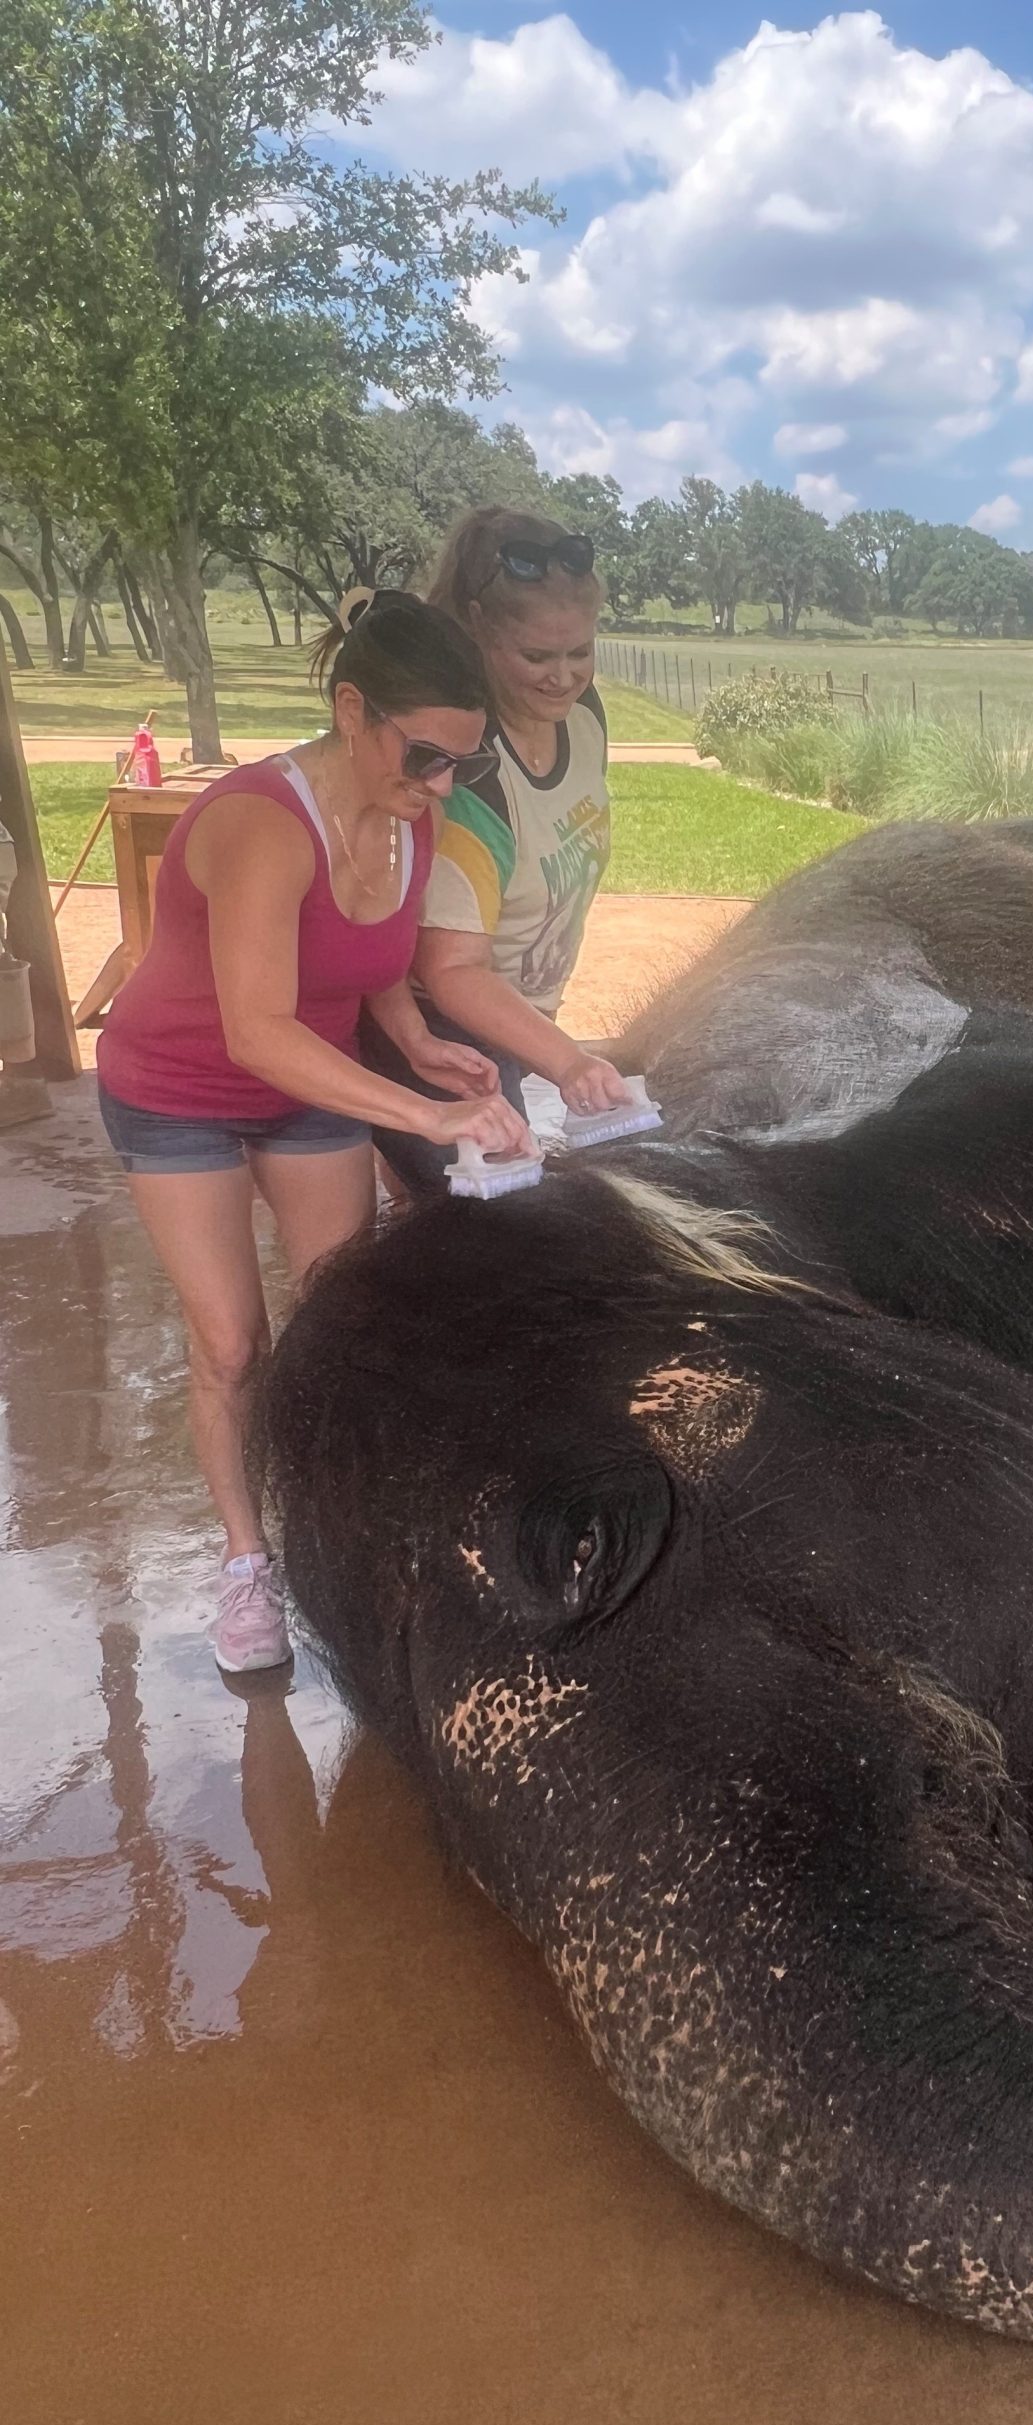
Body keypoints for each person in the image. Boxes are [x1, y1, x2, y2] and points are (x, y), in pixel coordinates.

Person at [95, 590, 536, 1675]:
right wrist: (429, 1113)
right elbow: (256, 1029)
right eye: (425, 754)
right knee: (235, 1344)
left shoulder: (412, 812)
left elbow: (368, 956)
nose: (439, 785)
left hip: (305, 1078)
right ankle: (248, 1562)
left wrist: (411, 1037)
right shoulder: (259, 820)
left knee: (344, 1315)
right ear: (353, 707)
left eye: (459, 766)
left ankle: (356, 1531)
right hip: (178, 1085)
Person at [362, 508, 628, 1195]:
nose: (563, 677)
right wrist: (568, 1064)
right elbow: (450, 969)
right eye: (536, 656)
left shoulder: (584, 717)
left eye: (580, 653)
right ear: (477, 624)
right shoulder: (472, 775)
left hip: (517, 1023)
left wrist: (550, 1046)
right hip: (441, 1036)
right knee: (493, 1227)